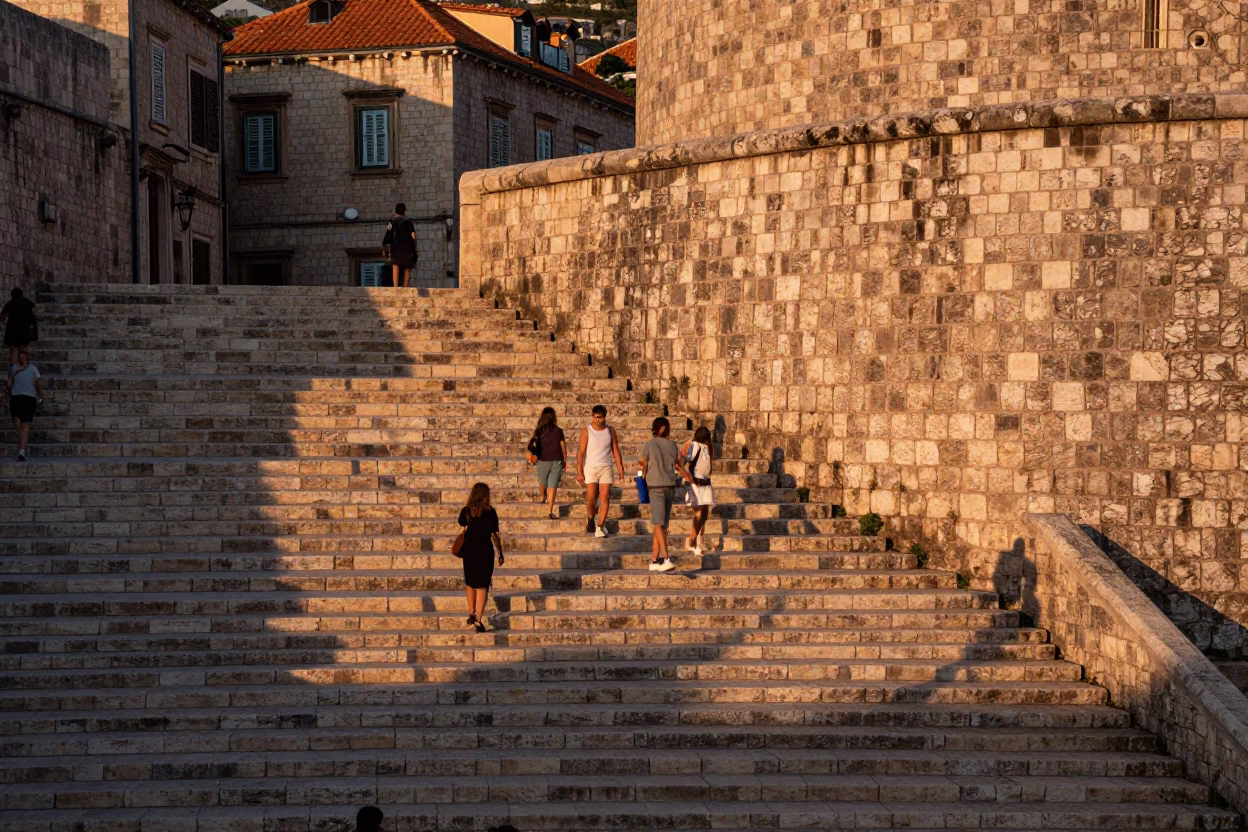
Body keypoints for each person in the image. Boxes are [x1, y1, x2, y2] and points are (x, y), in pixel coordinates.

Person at [638, 416, 693, 572]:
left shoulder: (649, 445)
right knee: (662, 525)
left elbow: (642, 465)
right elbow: (677, 465)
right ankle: (654, 559)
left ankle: (665, 558)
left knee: (657, 523)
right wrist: (688, 477)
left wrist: (642, 479)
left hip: (655, 486)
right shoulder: (672, 445)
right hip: (670, 486)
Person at [457, 482, 504, 633]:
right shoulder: (491, 512)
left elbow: (461, 523)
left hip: (469, 551)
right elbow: (494, 535)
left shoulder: (466, 511)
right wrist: (500, 552)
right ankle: (478, 618)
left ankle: (471, 612)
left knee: (470, 583)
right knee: (482, 585)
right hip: (485, 551)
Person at [576, 404, 625, 538]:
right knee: (591, 498)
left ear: (604, 416)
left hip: (606, 466)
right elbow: (581, 451)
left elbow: (615, 449)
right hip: (591, 467)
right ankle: (591, 518)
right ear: (592, 416)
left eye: (601, 417)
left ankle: (600, 525)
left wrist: (620, 468)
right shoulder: (587, 430)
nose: (598, 420)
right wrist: (579, 470)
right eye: (596, 417)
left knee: (605, 497)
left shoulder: (610, 430)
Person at [679, 425, 716, 556]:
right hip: (695, 482)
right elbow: (684, 458)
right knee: (698, 512)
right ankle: (691, 540)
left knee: (705, 512)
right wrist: (685, 475)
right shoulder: (694, 445)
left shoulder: (707, 447)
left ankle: (699, 541)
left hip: (705, 482)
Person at [531, 406, 566, 519]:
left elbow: (532, 445)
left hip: (543, 459)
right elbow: (563, 448)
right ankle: (550, 510)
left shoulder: (538, 431)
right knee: (552, 486)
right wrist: (565, 460)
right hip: (557, 459)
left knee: (542, 481)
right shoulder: (559, 431)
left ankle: (542, 496)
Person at [7, 349, 42, 462]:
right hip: (16, 397)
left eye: (23, 357)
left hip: (29, 398)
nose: (21, 359)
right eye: (20, 357)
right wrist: (14, 375)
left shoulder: (33, 369)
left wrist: (40, 396)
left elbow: (37, 384)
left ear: (27, 359)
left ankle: (21, 451)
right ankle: (21, 448)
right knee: (18, 425)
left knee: (25, 426)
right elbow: (8, 383)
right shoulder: (13, 368)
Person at [381, 203, 417, 289]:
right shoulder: (408, 222)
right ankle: (405, 287)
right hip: (407, 247)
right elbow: (413, 235)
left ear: (395, 211)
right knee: (407, 267)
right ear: (405, 210)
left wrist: (385, 244)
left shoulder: (392, 222)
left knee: (395, 265)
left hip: (396, 246)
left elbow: (388, 234)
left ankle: (396, 287)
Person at [1, 288, 37, 366]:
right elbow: (36, 314)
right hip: (25, 331)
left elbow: (3, 317)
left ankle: (12, 376)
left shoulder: (10, 303)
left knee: (13, 356)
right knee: (24, 354)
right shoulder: (29, 302)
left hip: (12, 332)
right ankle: (24, 373)